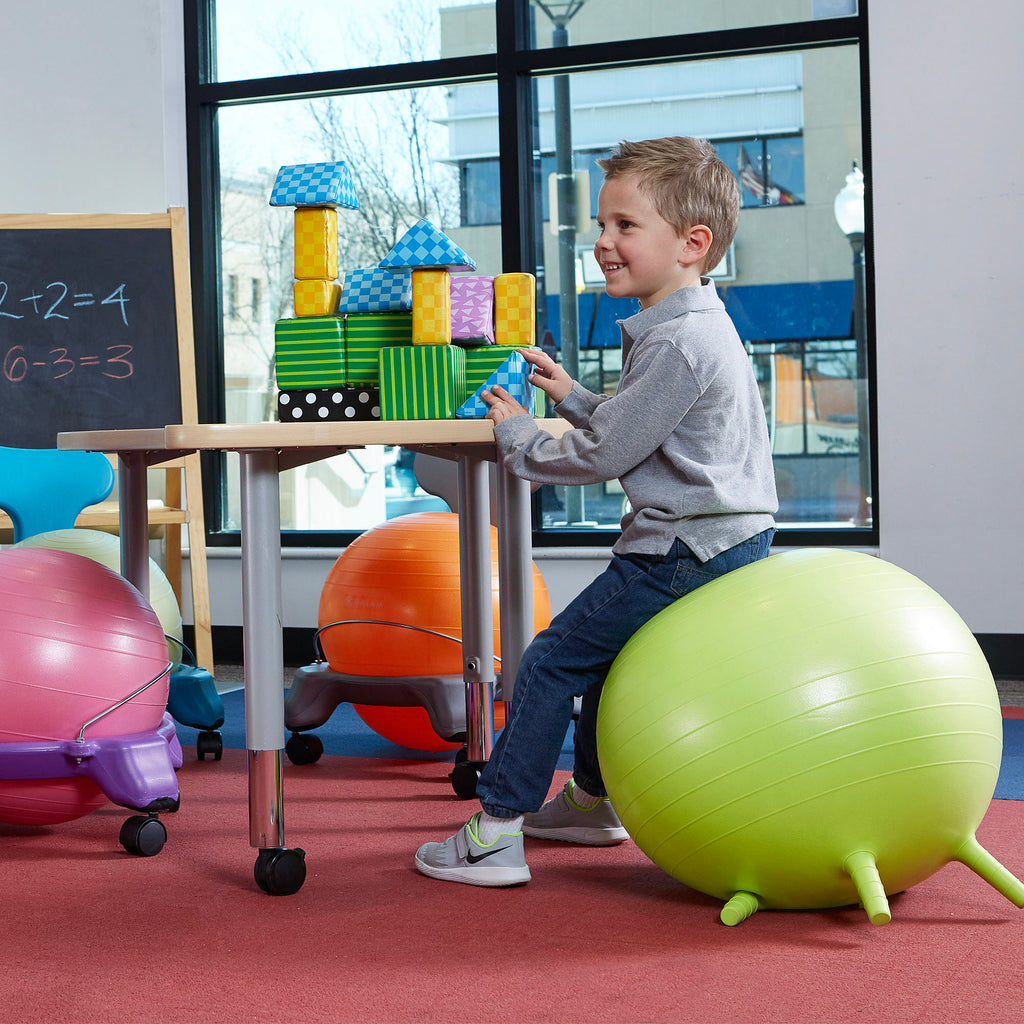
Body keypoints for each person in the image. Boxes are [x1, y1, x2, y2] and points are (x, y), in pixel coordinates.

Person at [414, 136, 778, 887]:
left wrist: (516, 436)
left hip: (682, 547)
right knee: (604, 662)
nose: (602, 242)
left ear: (692, 244)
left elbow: (604, 455)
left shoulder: (678, 339)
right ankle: (589, 802)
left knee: (550, 660)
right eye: (603, 224)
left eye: (623, 226)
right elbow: (645, 428)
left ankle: (498, 828)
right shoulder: (695, 324)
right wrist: (570, 395)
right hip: (723, 539)